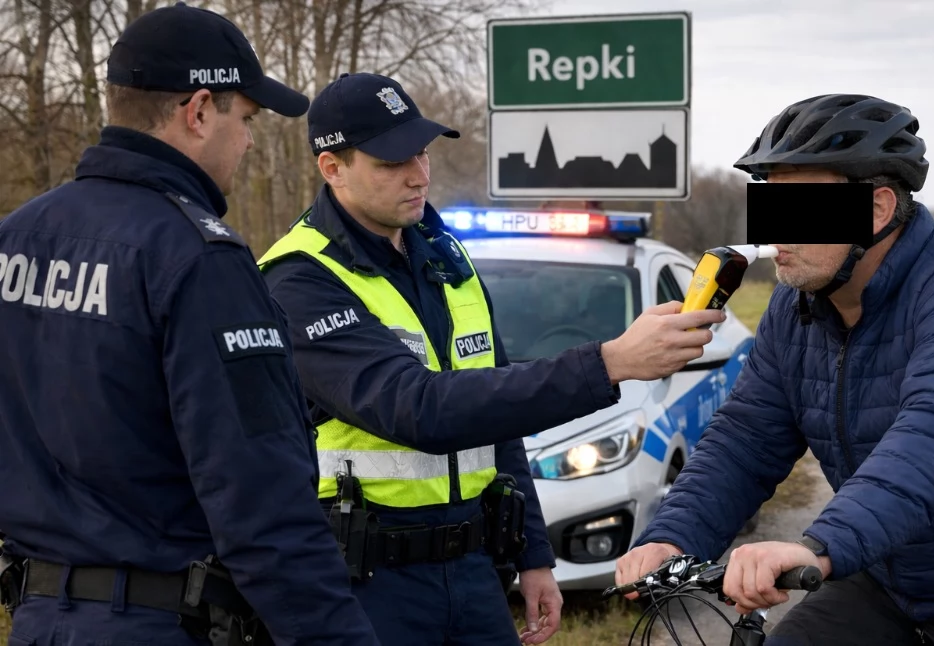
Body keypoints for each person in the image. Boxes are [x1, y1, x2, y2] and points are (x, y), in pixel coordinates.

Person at [615, 94, 934, 645]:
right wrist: (673, 538)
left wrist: (818, 545)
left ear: (878, 209)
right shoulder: (794, 308)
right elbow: (747, 437)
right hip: (895, 581)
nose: (777, 234)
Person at [255, 72, 725, 646]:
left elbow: (498, 409)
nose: (419, 174)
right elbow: (419, 410)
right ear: (332, 168)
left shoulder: (444, 255)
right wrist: (608, 362)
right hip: (370, 582)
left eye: (423, 153)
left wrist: (532, 553)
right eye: (391, 161)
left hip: (475, 570)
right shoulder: (301, 277)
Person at [0, 4, 380, 645]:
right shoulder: (198, 257)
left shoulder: (18, 237)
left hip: (38, 619)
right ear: (199, 111)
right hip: (160, 622)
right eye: (247, 118)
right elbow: (263, 502)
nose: (250, 140)